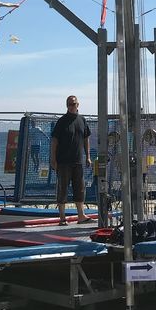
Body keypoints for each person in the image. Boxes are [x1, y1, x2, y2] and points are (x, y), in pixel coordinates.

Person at [50, 95, 92, 225]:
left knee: (80, 188)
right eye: (69, 104)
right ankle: (62, 218)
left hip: (78, 160)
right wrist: (53, 159)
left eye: (74, 104)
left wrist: (88, 157)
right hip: (63, 161)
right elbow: (54, 141)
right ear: (66, 106)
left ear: (78, 105)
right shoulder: (62, 121)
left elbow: (86, 139)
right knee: (62, 188)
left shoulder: (82, 120)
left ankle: (81, 215)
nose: (72, 106)